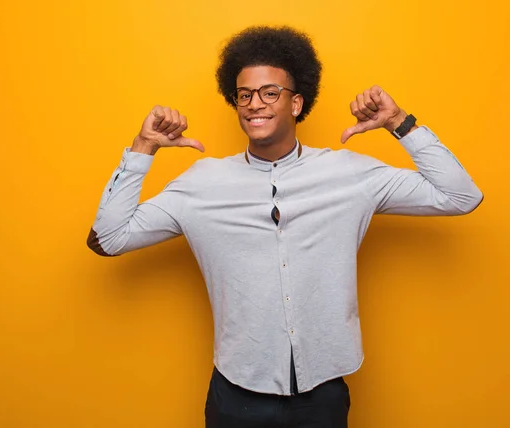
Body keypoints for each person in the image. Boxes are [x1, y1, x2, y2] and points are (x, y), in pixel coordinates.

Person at [86, 26, 483, 428]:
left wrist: (399, 121)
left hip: (323, 395)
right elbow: (109, 238)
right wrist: (143, 146)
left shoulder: (350, 174)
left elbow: (460, 196)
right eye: (244, 94)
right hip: (235, 394)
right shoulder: (201, 184)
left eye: (269, 92)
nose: (254, 104)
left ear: (296, 103)